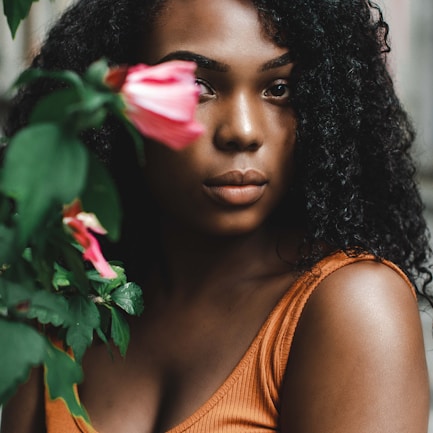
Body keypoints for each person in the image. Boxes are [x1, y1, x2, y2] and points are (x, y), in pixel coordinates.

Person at [1, 0, 432, 432]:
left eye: (279, 88)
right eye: (196, 88)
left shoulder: (353, 307)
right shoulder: (59, 292)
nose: (242, 131)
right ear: (111, 100)